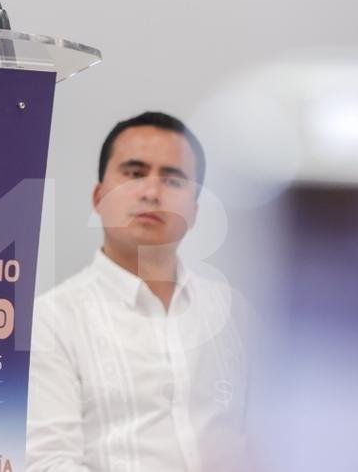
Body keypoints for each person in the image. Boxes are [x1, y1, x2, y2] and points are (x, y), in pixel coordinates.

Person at [26, 112, 250, 471]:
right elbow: (48, 462)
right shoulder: (52, 320)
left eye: (173, 180)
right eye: (134, 174)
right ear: (98, 197)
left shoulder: (234, 312)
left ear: (195, 211)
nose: (151, 192)